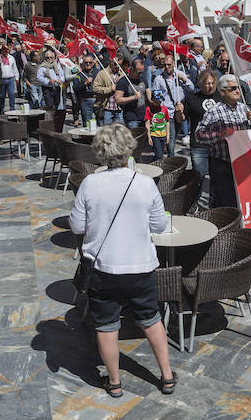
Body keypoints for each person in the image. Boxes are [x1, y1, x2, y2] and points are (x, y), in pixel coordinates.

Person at [68, 123, 175, 398]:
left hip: (103, 268)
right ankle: (166, 376)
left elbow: (77, 226)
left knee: (106, 325)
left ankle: (114, 381)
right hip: (140, 267)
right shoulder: (144, 183)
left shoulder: (90, 183)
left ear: (100, 152)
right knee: (151, 320)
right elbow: (160, 225)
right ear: (129, 149)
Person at [195, 74, 251, 208]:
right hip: (223, 164)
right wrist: (219, 135)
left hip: (243, 162)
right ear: (222, 92)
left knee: (242, 200)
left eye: (238, 88)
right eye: (233, 88)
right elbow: (199, 135)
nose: (238, 91)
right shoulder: (214, 111)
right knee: (224, 202)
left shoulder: (244, 109)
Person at [152, 56, 194, 155]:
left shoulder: (179, 75)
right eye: (165, 65)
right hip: (168, 112)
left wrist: (184, 79)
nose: (167, 67)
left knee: (175, 136)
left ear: (174, 65)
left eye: (169, 65)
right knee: (170, 136)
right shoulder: (159, 79)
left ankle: (169, 154)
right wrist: (160, 101)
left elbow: (191, 88)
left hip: (180, 111)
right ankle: (172, 157)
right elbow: (156, 96)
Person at [183, 70, 218, 180]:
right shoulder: (192, 98)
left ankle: (214, 198)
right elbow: (181, 119)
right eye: (208, 83)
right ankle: (196, 197)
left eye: (212, 83)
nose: (211, 86)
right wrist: (180, 112)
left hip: (217, 145)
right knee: (199, 177)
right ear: (201, 84)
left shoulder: (221, 96)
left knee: (217, 180)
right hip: (199, 145)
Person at [115, 58, 149, 129]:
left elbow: (148, 93)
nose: (141, 74)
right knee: (133, 139)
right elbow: (118, 99)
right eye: (139, 72)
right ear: (132, 69)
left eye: (142, 72)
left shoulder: (143, 79)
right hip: (132, 117)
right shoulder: (123, 81)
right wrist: (133, 97)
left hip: (144, 116)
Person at [93, 54, 124, 125]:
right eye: (116, 64)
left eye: (120, 65)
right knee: (105, 132)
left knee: (118, 132)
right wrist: (110, 89)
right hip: (106, 108)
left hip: (119, 109)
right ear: (111, 62)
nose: (117, 67)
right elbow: (95, 88)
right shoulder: (102, 73)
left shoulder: (122, 75)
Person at [73, 54, 100, 125]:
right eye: (86, 62)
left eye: (90, 62)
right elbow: (75, 88)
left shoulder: (98, 72)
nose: (88, 64)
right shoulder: (79, 74)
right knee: (88, 123)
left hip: (98, 99)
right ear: (83, 63)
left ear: (93, 63)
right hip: (86, 100)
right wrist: (85, 83)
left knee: (101, 121)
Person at [145, 92, 170, 160]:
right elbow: (147, 123)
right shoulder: (148, 109)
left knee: (161, 153)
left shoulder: (164, 108)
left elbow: (167, 122)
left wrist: (168, 136)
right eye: (156, 101)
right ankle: (159, 165)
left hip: (163, 134)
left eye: (159, 102)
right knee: (159, 154)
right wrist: (149, 137)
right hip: (154, 135)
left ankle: (158, 164)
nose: (158, 103)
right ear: (152, 100)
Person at [0, 44, 18, 113]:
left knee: (12, 94)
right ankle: (2, 110)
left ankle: (12, 109)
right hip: (2, 79)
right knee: (2, 96)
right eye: (5, 50)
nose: (6, 51)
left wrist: (17, 77)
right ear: (2, 50)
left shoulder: (11, 58)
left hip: (11, 79)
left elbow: (14, 68)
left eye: (7, 50)